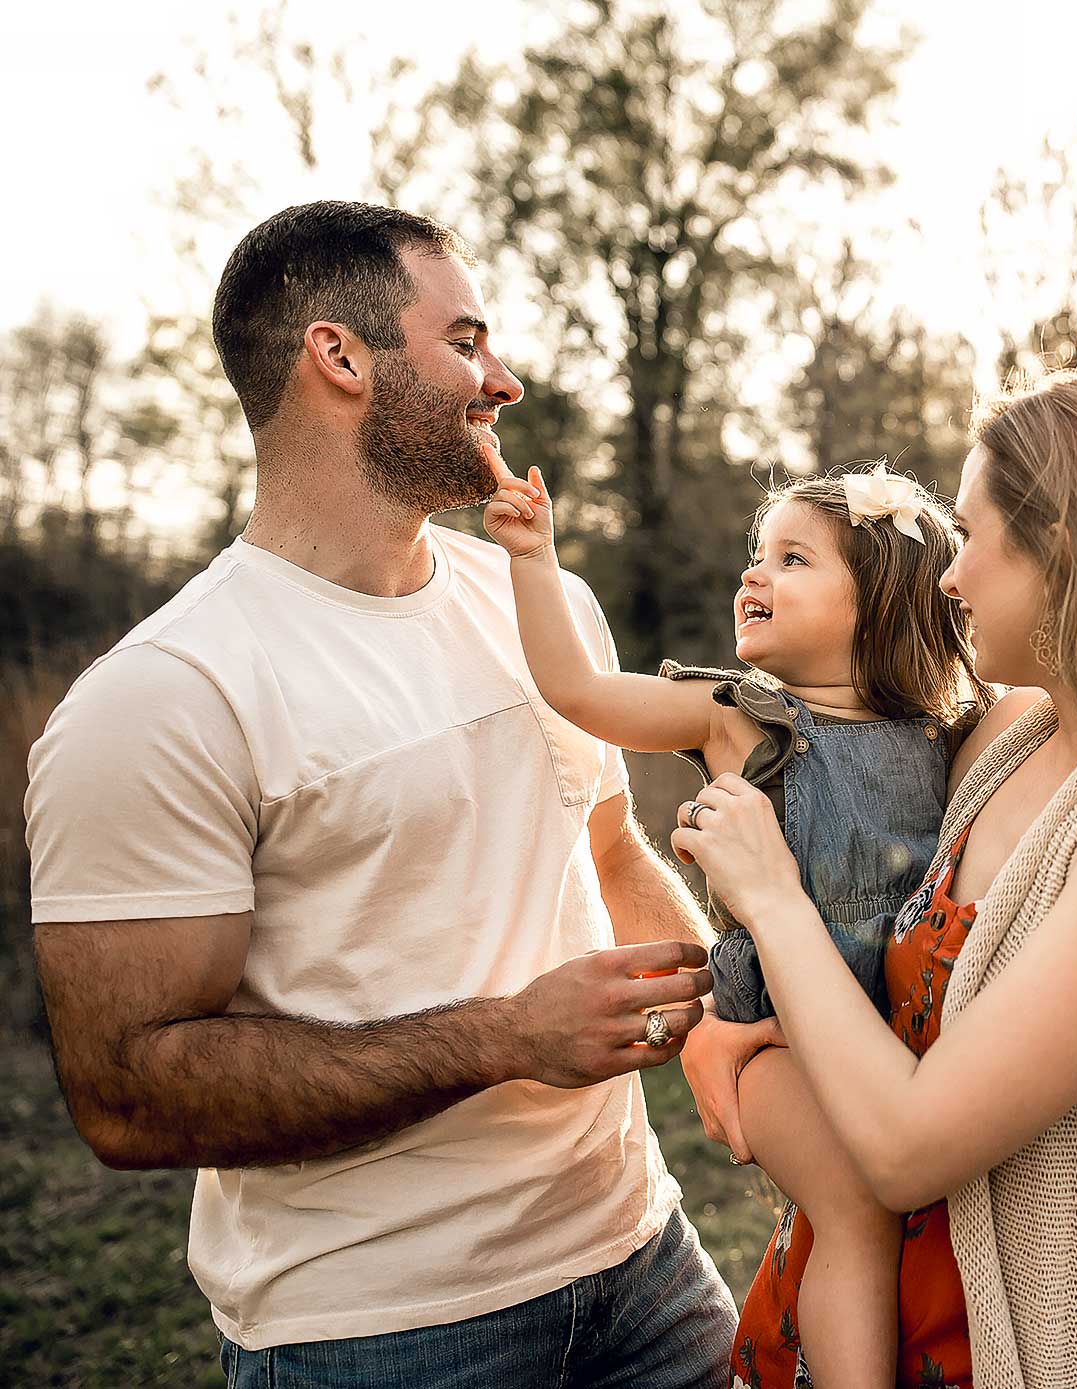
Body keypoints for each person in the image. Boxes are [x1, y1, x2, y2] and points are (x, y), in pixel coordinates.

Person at [24, 200, 740, 1387]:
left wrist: (721, 1014)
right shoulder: (160, 697)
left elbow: (608, 855)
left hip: (645, 1261)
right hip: (382, 1332)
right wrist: (505, 1040)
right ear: (339, 356)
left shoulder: (544, 607)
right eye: (464, 340)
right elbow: (129, 1094)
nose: (501, 380)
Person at [679, 369, 1077, 1387]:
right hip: (855, 1334)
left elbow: (908, 1146)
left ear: (1065, 553)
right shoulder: (1009, 738)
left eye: (969, 538)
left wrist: (769, 901)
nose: (948, 578)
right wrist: (728, 1029)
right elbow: (859, 934)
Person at [480, 456, 985, 1387]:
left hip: (887, 1043)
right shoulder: (737, 718)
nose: (754, 573)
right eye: (759, 554)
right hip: (772, 1043)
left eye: (794, 559)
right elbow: (580, 692)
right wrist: (533, 561)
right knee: (855, 1212)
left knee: (912, 1215)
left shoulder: (946, 733)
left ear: (880, 603)